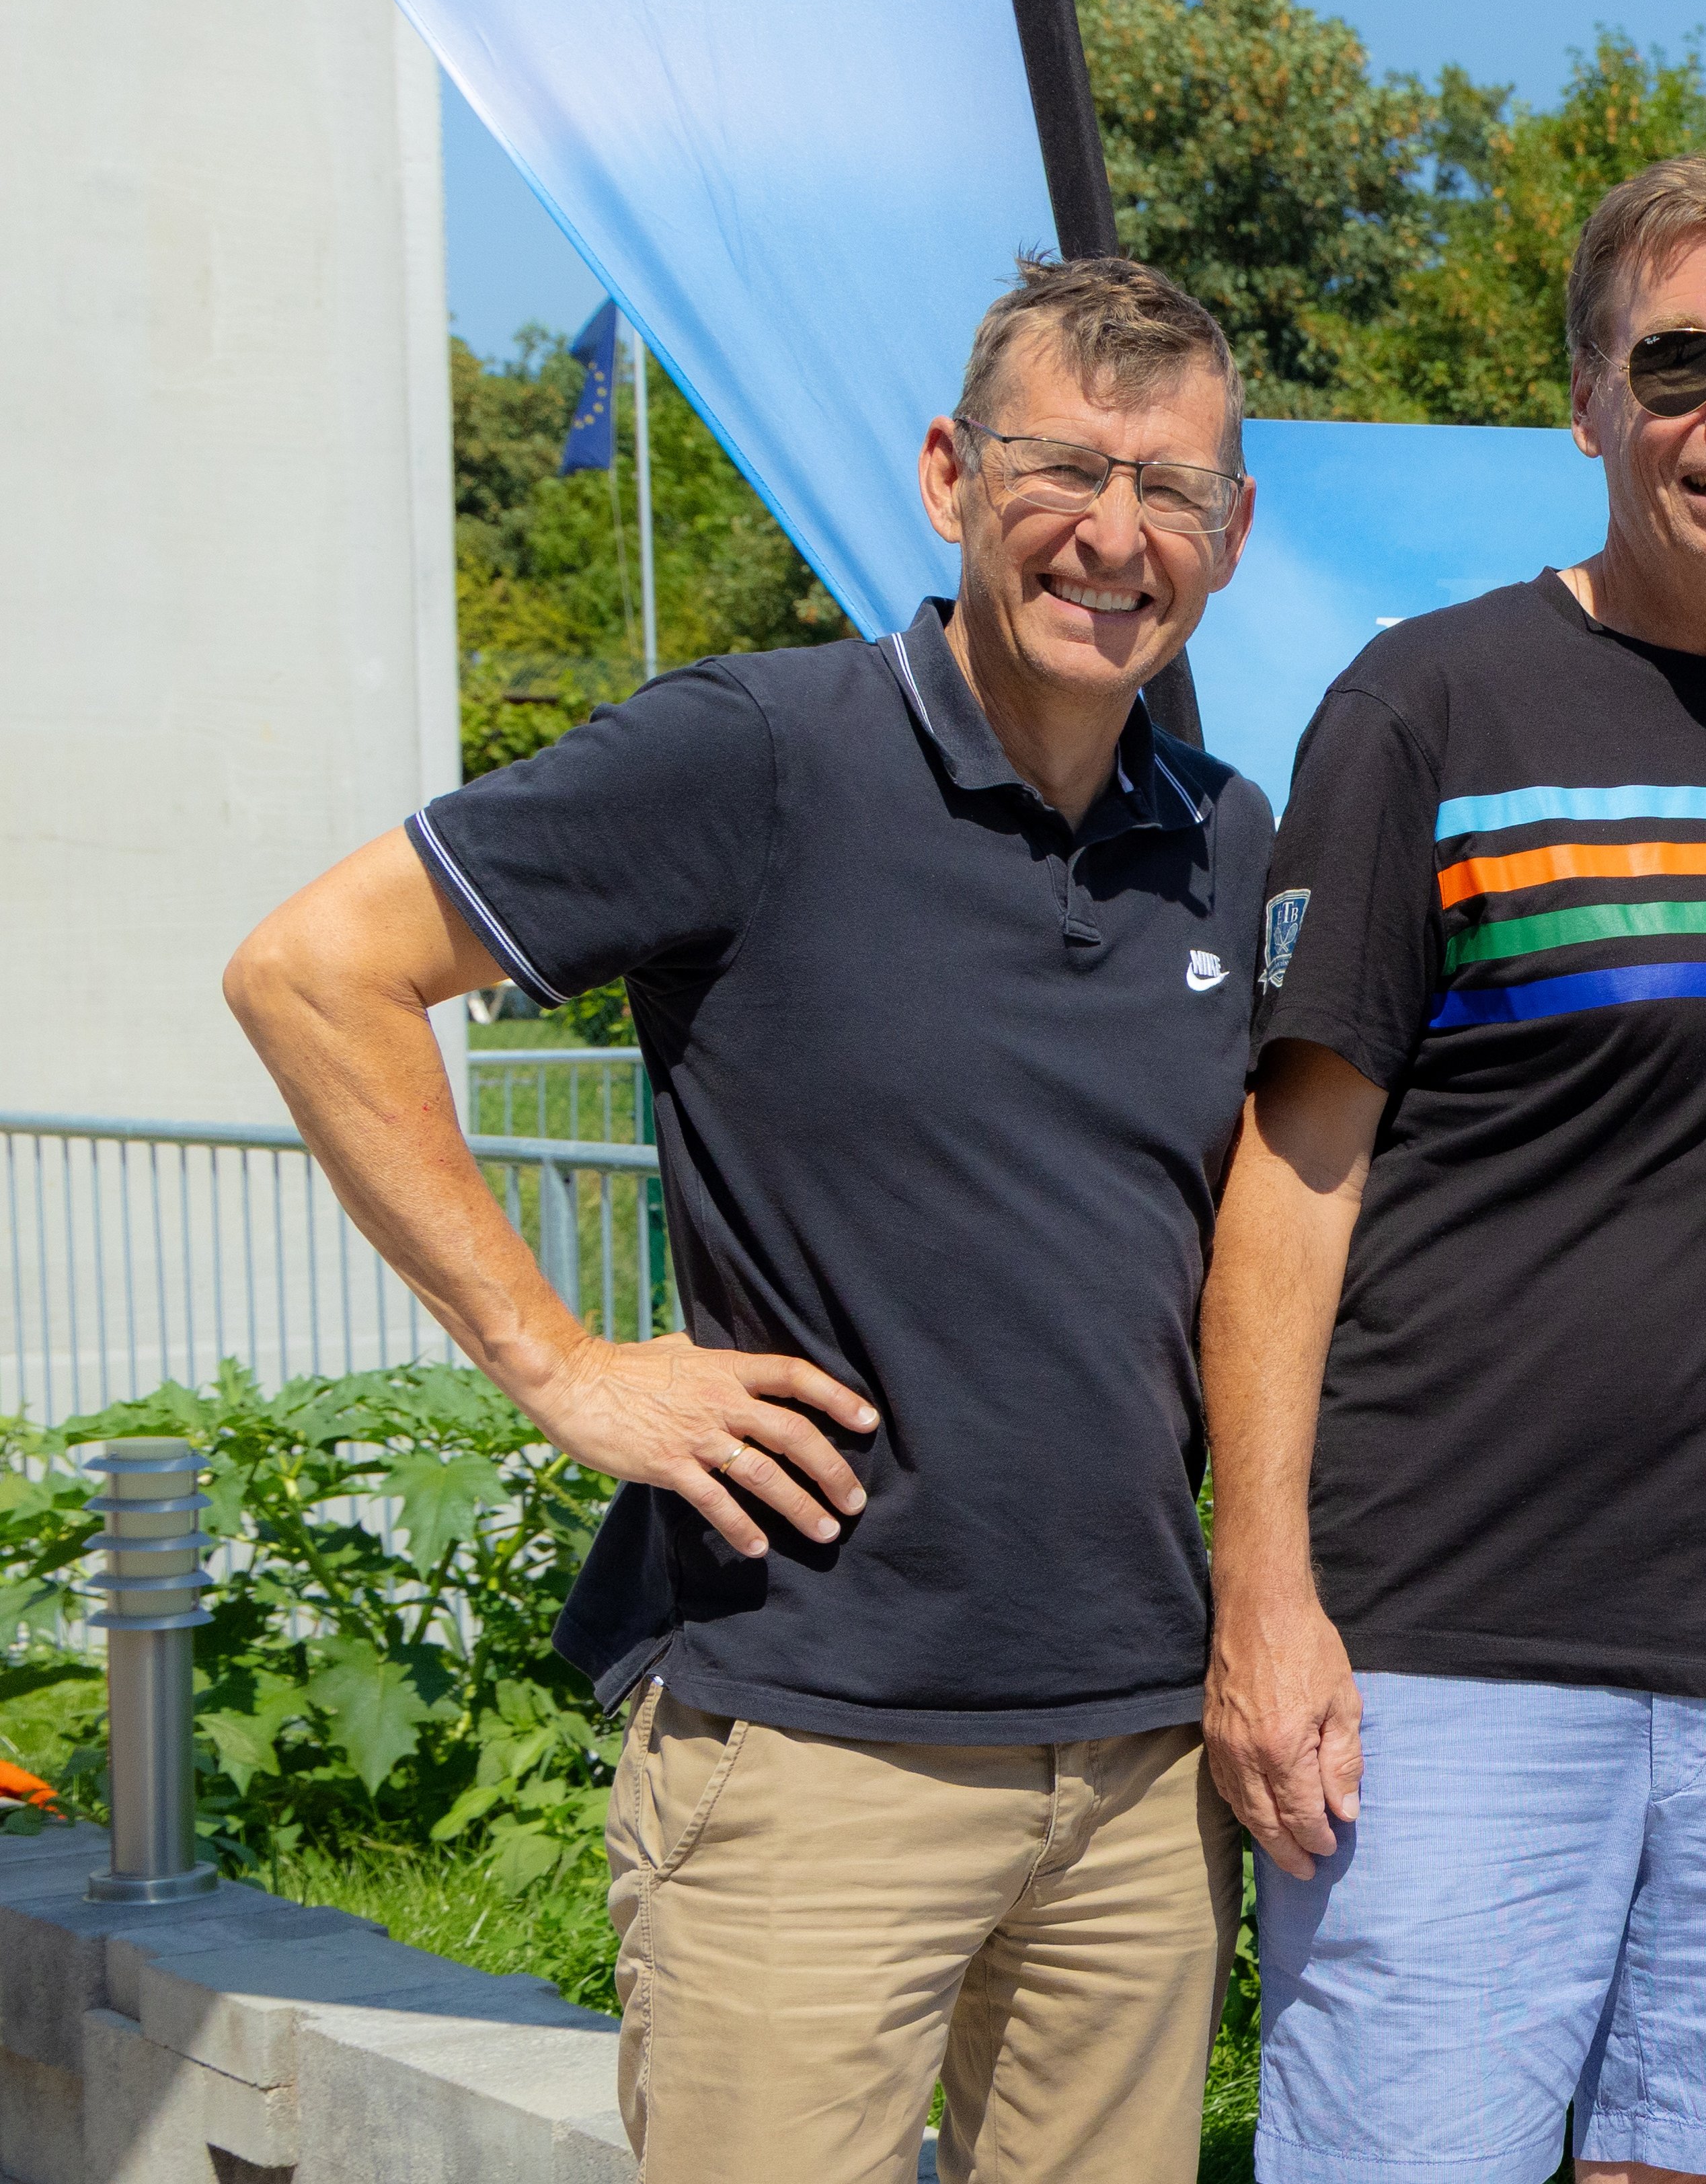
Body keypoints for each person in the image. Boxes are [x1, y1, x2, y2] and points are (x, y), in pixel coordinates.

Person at [224, 256, 1268, 2183]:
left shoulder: (1229, 843)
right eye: (1062, 468)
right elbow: (313, 972)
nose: (1116, 536)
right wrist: (560, 1364)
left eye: (1172, 489)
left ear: (1232, 530)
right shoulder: (759, 754)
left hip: (1139, 1764)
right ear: (951, 474)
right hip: (812, 1749)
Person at [1199, 139, 1706, 2184]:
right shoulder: (1428, 706)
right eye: (1679, 365)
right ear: (1586, 402)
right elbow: (1294, 1177)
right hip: (1446, 1664)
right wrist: (1264, 1600)